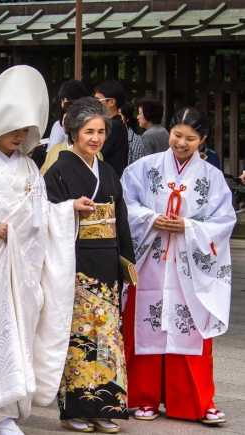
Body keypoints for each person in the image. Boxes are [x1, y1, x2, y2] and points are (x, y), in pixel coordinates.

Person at [0, 66, 92, 435]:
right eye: (13, 130)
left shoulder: (29, 168)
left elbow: (41, 213)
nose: (20, 136)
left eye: (24, 130)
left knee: (17, 337)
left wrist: (65, 210)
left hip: (22, 271)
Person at [121, 107, 235, 427]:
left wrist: (188, 227)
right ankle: (142, 396)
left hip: (189, 268)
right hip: (151, 262)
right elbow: (126, 205)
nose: (181, 143)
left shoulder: (212, 178)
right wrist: (149, 219)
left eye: (190, 138)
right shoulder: (143, 169)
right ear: (169, 131)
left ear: (203, 140)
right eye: (177, 135)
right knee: (148, 325)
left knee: (189, 328)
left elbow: (224, 221)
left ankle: (194, 401)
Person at [45, 97, 135, 433]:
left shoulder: (108, 171)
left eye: (100, 132)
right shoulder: (58, 170)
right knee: (80, 337)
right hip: (77, 261)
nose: (95, 138)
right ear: (73, 133)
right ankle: (76, 410)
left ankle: (106, 407)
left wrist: (126, 258)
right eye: (88, 132)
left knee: (108, 338)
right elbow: (45, 214)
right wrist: (69, 207)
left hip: (106, 262)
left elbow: (120, 217)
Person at [95, 80, 129, 176]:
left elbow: (96, 153)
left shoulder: (114, 126)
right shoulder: (115, 124)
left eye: (98, 100)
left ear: (111, 102)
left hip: (109, 182)